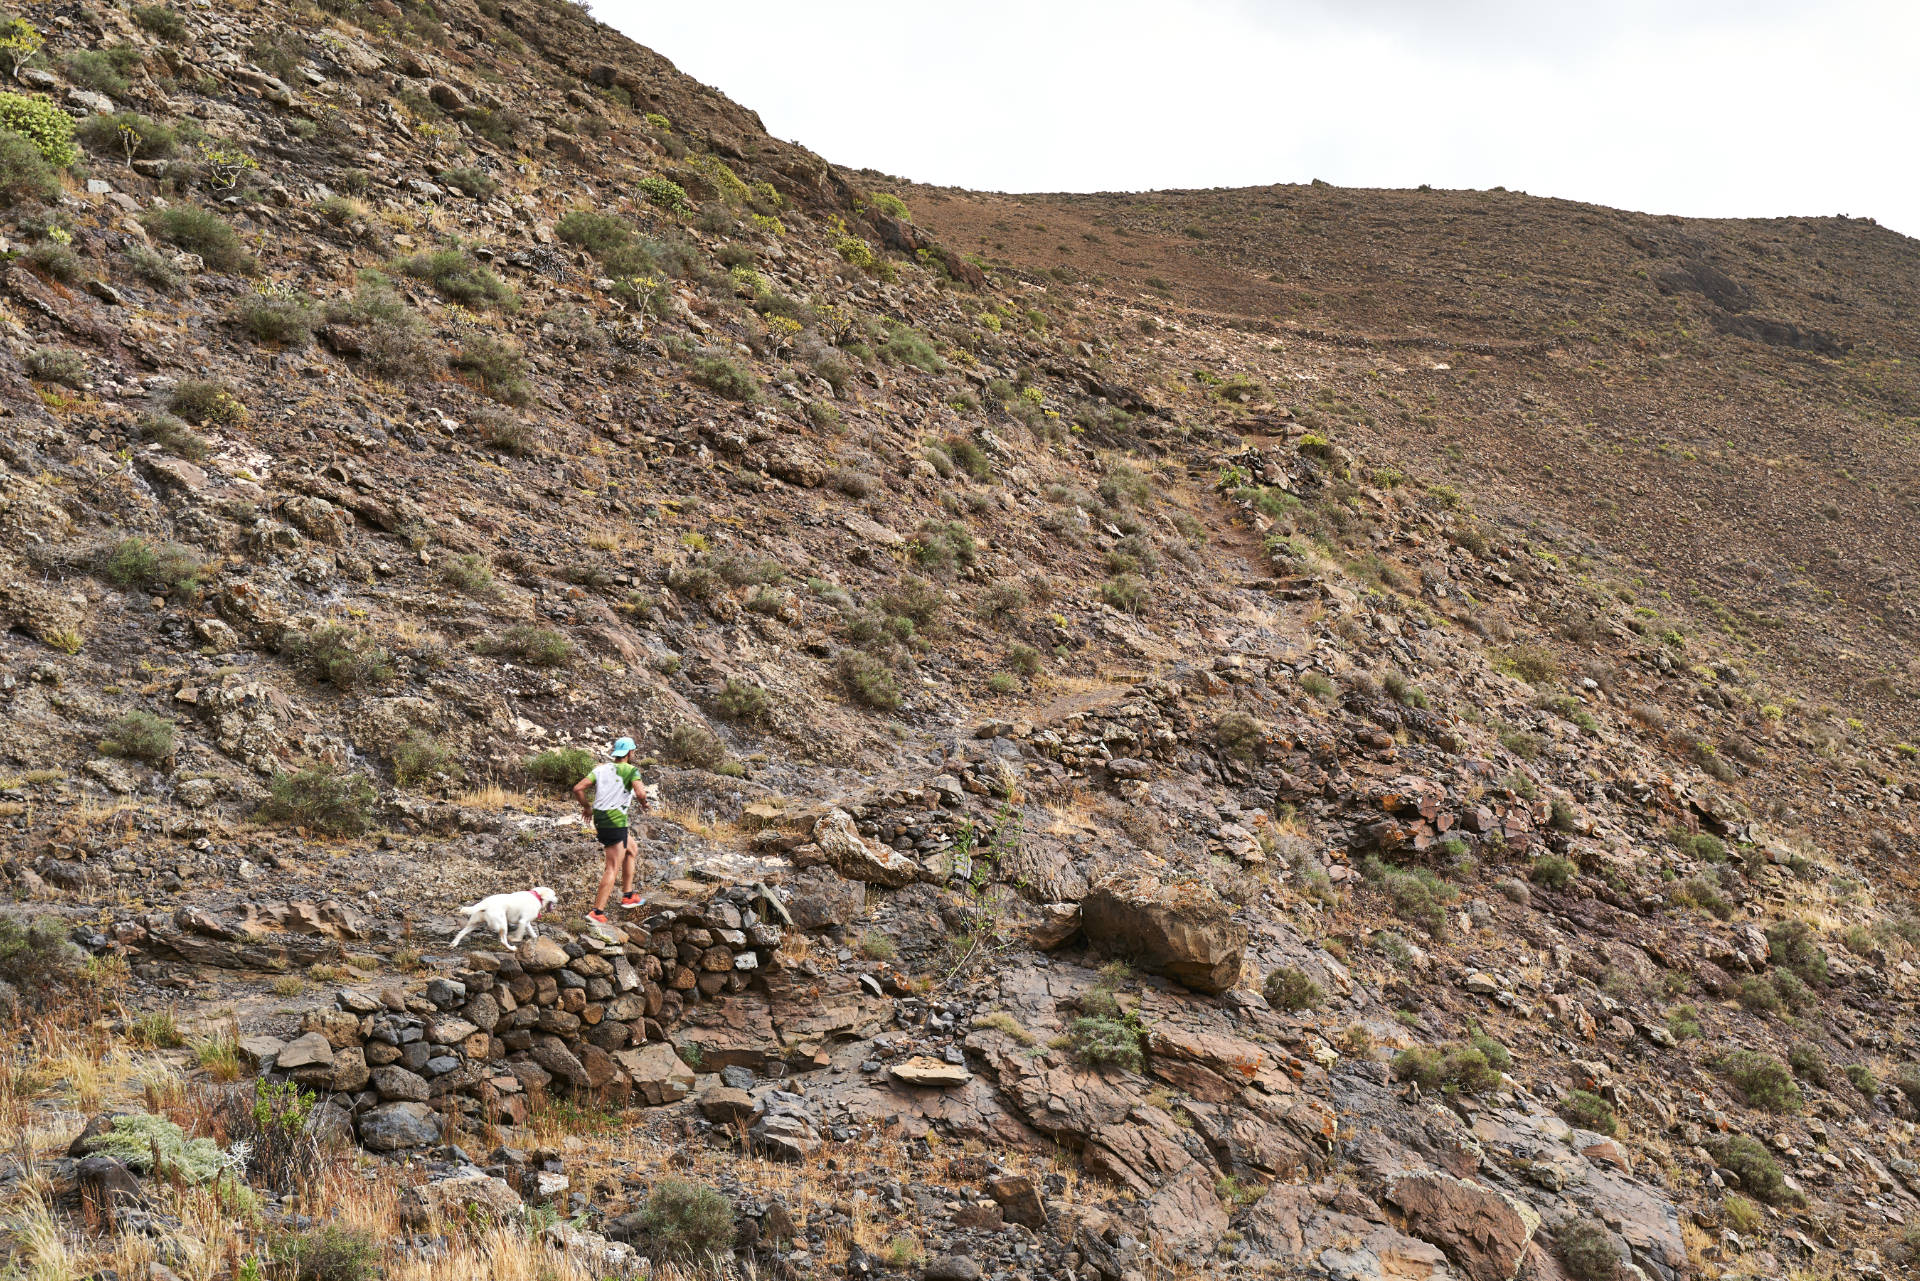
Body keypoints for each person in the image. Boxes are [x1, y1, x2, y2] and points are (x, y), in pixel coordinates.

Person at [571, 737, 650, 925]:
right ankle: (597, 912)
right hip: (615, 822)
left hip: (601, 819)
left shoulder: (600, 769)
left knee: (631, 849)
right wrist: (644, 803)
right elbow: (641, 793)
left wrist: (587, 807)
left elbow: (578, 788)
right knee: (612, 867)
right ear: (630, 753)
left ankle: (628, 895)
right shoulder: (631, 771)